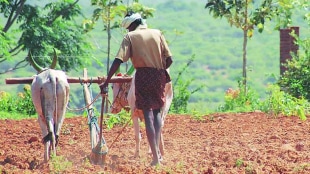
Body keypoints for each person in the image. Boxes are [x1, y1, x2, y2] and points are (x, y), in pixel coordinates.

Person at [99, 12, 173, 166]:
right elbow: (170, 59)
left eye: (128, 28)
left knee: (147, 115)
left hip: (143, 77)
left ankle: (154, 158)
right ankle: (157, 154)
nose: (128, 31)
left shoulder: (130, 37)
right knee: (157, 113)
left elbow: (118, 60)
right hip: (159, 75)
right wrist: (160, 71)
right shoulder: (158, 33)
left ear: (132, 25)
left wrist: (107, 81)